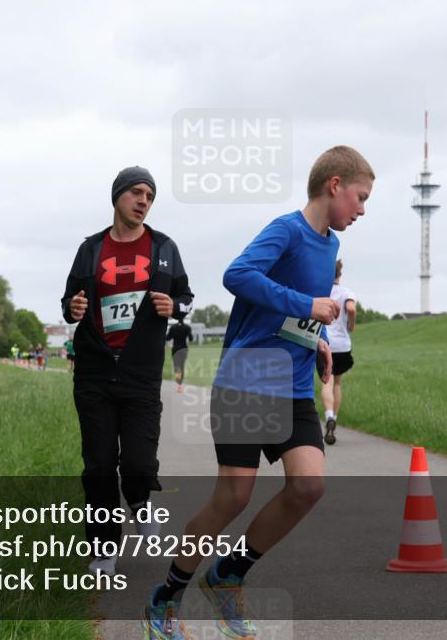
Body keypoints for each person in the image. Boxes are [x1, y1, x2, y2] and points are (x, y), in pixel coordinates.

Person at [142, 146, 375, 639]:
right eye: (360, 197)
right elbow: (237, 275)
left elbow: (299, 313)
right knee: (232, 497)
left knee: (309, 485)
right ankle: (166, 598)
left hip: (292, 386)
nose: (361, 210)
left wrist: (317, 340)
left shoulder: (330, 245)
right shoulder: (286, 230)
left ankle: (228, 575)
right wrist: (307, 305)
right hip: (246, 380)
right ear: (334, 185)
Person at [61, 166, 194, 577]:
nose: (143, 201)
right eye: (136, 192)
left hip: (140, 373)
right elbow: (68, 301)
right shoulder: (91, 249)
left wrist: (175, 307)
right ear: (117, 195)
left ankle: (139, 500)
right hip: (95, 373)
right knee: (99, 466)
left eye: (149, 196)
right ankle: (104, 550)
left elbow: (186, 297)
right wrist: (73, 308)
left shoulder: (164, 247)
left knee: (138, 462)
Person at [320, 258, 357, 445]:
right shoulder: (346, 292)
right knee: (337, 384)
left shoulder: (322, 291)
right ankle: (334, 417)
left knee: (327, 381)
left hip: (324, 343)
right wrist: (351, 324)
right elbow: (350, 308)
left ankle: (328, 416)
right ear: (340, 273)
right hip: (342, 345)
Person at [166, 317, 193, 393]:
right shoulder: (187, 328)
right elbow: (191, 339)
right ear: (183, 318)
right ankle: (180, 384)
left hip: (175, 349)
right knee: (182, 366)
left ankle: (179, 383)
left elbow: (168, 338)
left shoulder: (173, 327)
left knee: (177, 367)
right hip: (184, 349)